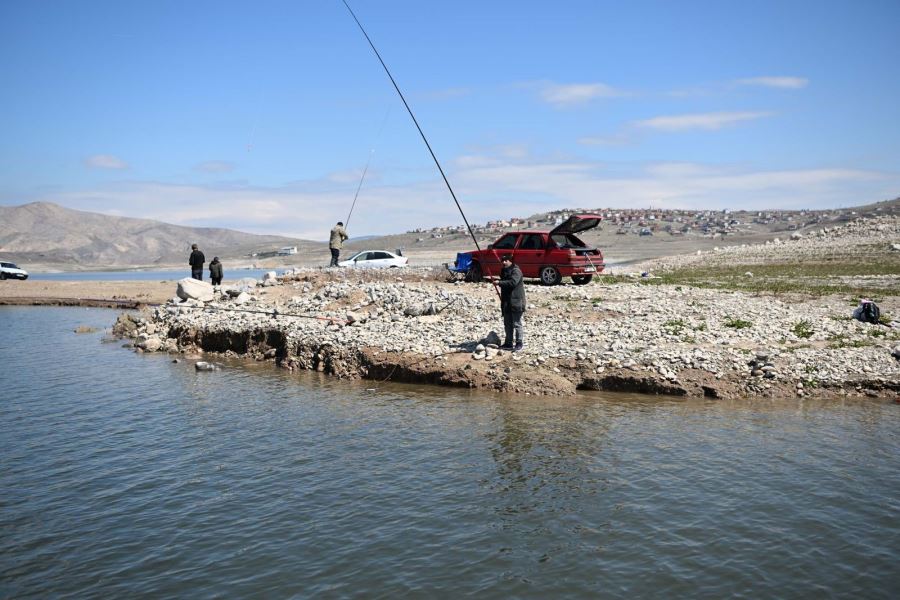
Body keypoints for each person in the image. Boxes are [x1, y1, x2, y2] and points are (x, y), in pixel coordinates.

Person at [497, 254, 526, 352]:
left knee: (517, 323)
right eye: (502, 261)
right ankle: (508, 343)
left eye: (506, 260)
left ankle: (519, 343)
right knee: (507, 323)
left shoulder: (516, 271)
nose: (503, 262)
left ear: (510, 261)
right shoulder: (504, 271)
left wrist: (499, 283)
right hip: (506, 302)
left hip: (516, 302)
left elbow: (513, 283)